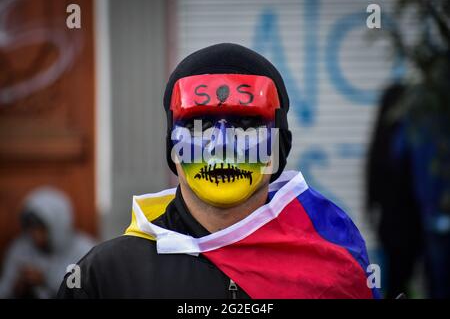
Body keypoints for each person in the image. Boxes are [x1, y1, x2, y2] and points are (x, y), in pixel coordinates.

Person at [58, 43, 378, 299]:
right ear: (172, 146)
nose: (222, 145)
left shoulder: (332, 261)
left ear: (281, 147)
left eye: (247, 124)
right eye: (199, 124)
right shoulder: (108, 277)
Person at [366, 84, 423, 298]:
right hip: (398, 220)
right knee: (397, 276)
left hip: (410, 217)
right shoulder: (394, 136)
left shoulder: (410, 134)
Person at [0, 186, 95, 298]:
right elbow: (4, 290)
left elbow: (90, 292)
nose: (36, 236)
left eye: (42, 229)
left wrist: (46, 280)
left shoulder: (86, 251)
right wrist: (17, 288)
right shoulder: (20, 248)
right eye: (31, 228)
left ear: (59, 225)